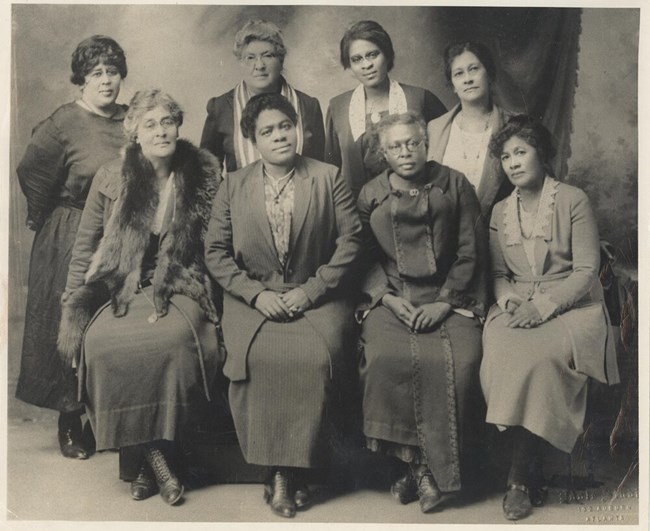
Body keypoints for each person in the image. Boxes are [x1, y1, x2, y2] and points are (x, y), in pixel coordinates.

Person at [57, 89, 222, 505]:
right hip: (121, 282)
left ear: (178, 126)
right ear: (133, 132)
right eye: (149, 124)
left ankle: (148, 465)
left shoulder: (204, 172)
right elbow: (85, 246)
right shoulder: (112, 176)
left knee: (174, 343)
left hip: (182, 281)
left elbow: (221, 243)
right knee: (102, 342)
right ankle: (158, 460)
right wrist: (71, 302)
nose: (161, 131)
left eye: (167, 121)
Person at [204, 93, 362, 518]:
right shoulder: (233, 185)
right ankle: (278, 472)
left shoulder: (329, 178)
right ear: (253, 140)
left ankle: (293, 471)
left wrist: (309, 291)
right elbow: (215, 253)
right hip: (253, 298)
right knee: (258, 358)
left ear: (300, 129)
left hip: (317, 296)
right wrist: (258, 295)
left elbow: (351, 243)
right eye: (268, 131)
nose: (280, 136)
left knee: (312, 359)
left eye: (285, 127)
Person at [480, 115, 620, 521]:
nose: (513, 162)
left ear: (541, 153)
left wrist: (542, 308)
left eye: (521, 152)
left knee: (538, 360)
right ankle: (524, 465)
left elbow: (586, 270)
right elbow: (497, 275)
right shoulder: (500, 210)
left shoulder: (572, 199)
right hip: (514, 307)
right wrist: (509, 305)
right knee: (501, 352)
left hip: (571, 308)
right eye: (505, 156)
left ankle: (520, 476)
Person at [356, 111, 489, 513]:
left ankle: (426, 471)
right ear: (384, 152)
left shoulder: (454, 183)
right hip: (391, 297)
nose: (406, 151)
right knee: (384, 358)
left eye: (413, 142)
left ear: (425, 144)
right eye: (395, 146)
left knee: (462, 362)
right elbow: (362, 257)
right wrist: (388, 298)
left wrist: (444, 302)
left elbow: (471, 250)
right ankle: (420, 470)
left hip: (451, 296)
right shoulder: (370, 193)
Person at [16, 35, 128, 460]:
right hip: (70, 232)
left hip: (117, 233)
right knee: (68, 323)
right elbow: (32, 172)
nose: (105, 81)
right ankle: (68, 421)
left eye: (112, 71)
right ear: (81, 79)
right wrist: (50, 218)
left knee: (110, 324)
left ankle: (110, 419)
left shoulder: (131, 119)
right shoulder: (63, 122)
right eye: (96, 73)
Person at [325, 20, 446, 198]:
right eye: (357, 59)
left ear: (387, 55)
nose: (366, 65)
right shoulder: (338, 107)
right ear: (349, 66)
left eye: (373, 54)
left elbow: (445, 157)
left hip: (416, 208)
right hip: (357, 213)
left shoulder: (421, 98)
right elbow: (331, 169)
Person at [201, 19, 325, 173]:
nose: (259, 66)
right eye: (250, 57)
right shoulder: (220, 107)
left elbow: (321, 170)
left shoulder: (308, 105)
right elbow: (207, 172)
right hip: (241, 196)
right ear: (240, 62)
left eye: (267, 56)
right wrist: (229, 196)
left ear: (281, 60)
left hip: (301, 196)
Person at [427, 41, 513, 218]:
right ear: (452, 85)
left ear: (489, 75)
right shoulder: (435, 128)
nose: (467, 79)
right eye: (458, 74)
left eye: (474, 69)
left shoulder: (513, 124)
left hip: (498, 231)